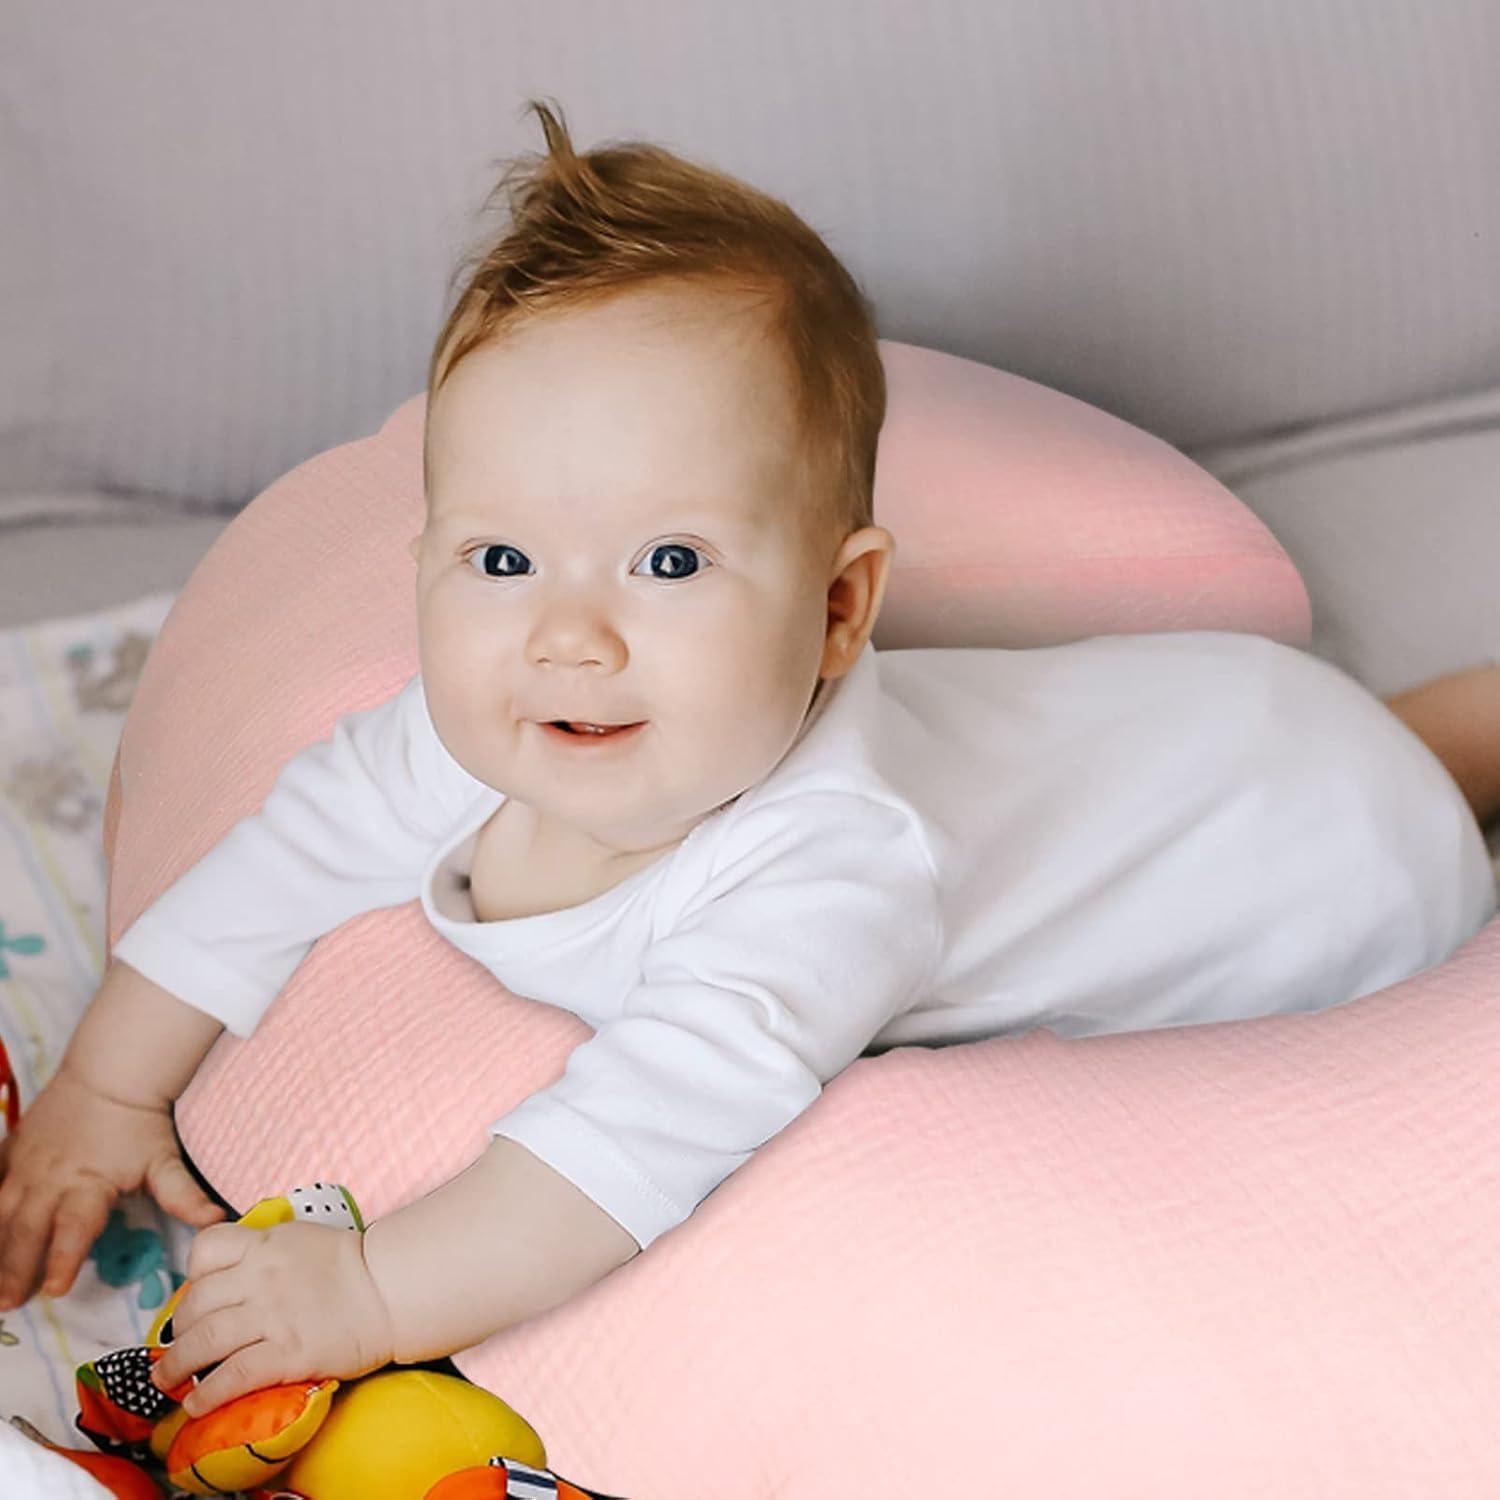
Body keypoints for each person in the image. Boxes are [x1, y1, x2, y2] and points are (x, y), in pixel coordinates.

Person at [2, 98, 1497, 1420]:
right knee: (1386, 736)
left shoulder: (828, 872)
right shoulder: (496, 715)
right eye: (504, 556)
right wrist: (108, 1089)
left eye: (668, 560)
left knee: (1413, 777)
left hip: (1316, 866)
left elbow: (621, 1149)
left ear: (841, 604)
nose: (569, 637)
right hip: (1196, 730)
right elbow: (291, 847)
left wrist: (374, 1291)